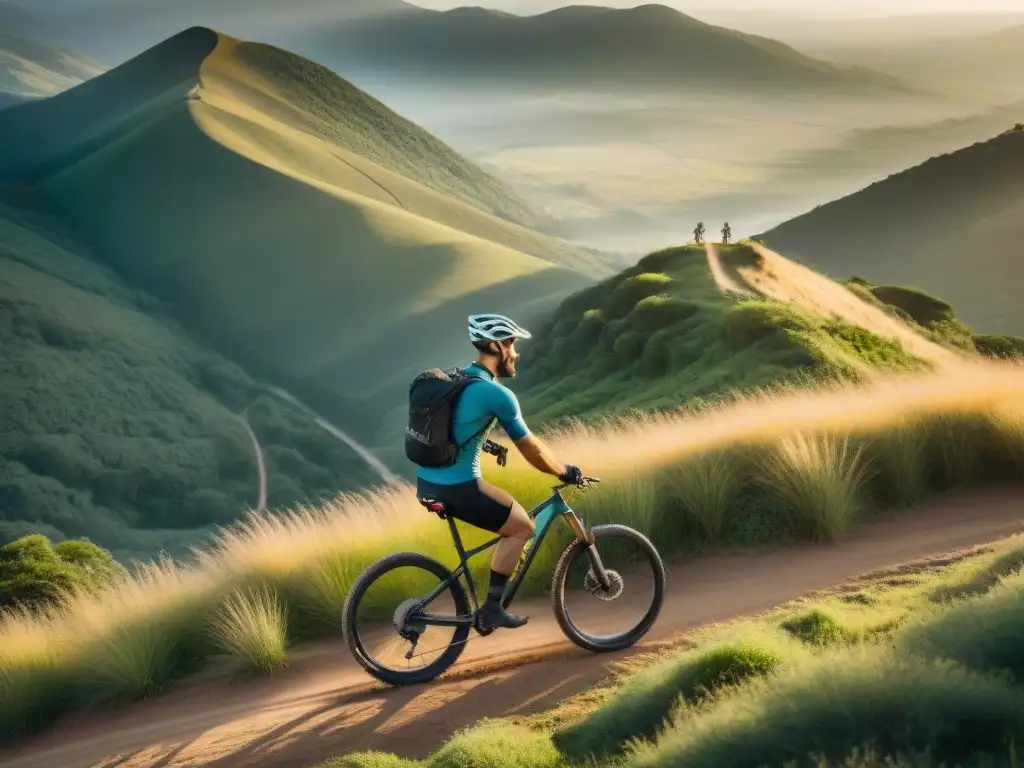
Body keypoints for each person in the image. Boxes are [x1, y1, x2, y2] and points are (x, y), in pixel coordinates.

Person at [415, 313, 585, 631]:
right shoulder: (497, 395)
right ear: (497, 347)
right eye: (512, 344)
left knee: (508, 522)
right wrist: (564, 471)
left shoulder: (459, 378)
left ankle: (487, 605)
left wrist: (488, 445)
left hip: (428, 481)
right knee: (522, 528)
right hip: (459, 487)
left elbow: (456, 426)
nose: (516, 352)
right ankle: (492, 609)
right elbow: (532, 449)